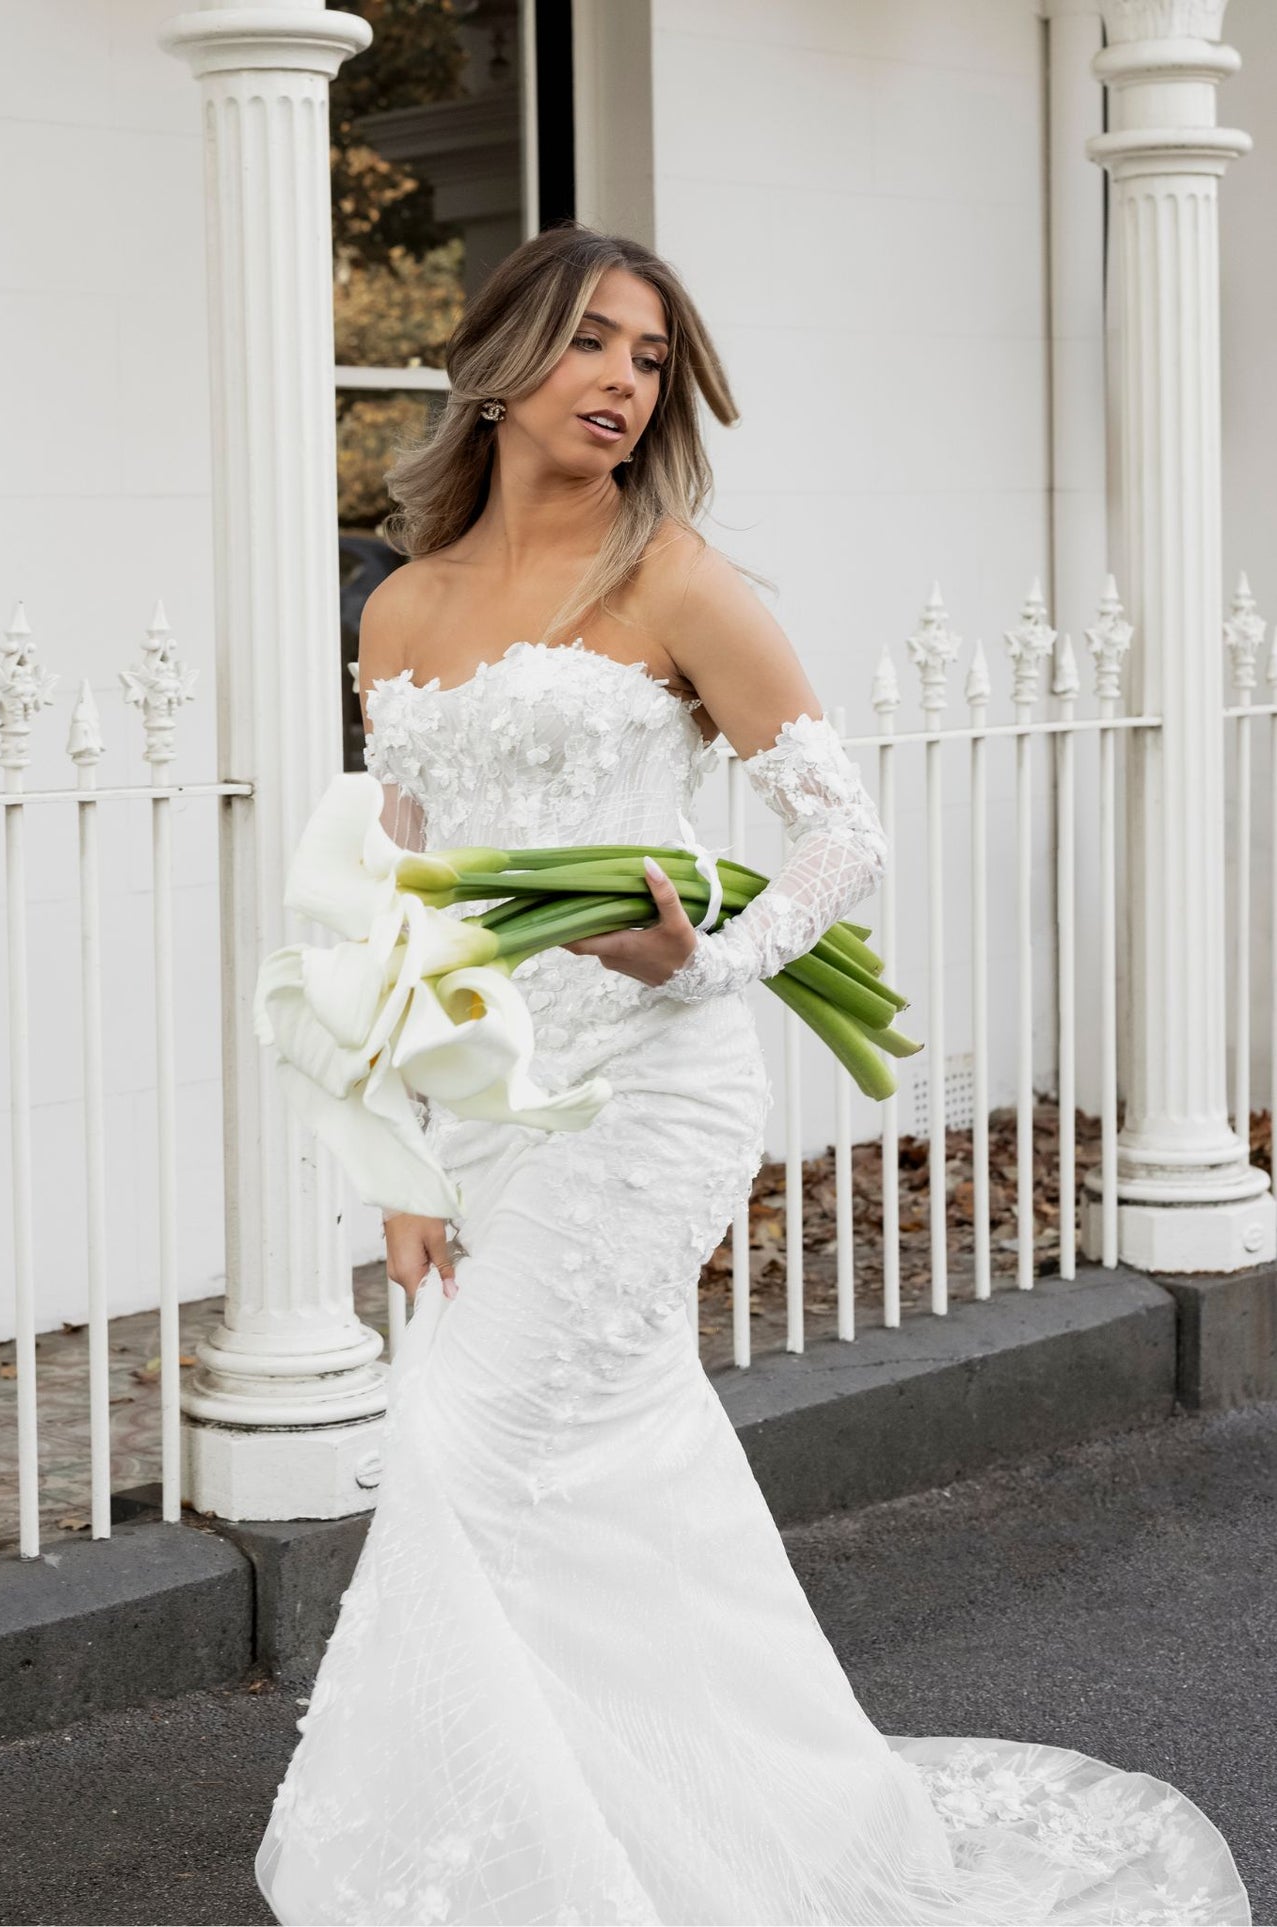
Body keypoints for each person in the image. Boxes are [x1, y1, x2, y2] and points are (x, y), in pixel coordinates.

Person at [255, 222, 1250, 1926]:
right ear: (496, 364)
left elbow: (839, 842)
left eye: (649, 358)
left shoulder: (675, 582)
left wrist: (699, 958)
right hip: (493, 1100)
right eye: (593, 346)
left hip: (650, 1086)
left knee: (465, 1447)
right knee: (602, 1469)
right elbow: (403, 899)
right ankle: (665, 1828)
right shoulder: (403, 607)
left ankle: (524, 1861)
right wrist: (402, 1168)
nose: (623, 385)